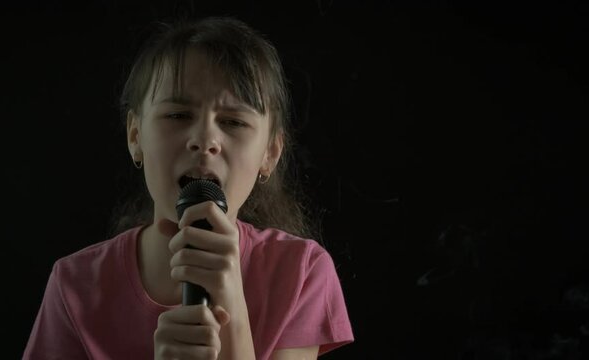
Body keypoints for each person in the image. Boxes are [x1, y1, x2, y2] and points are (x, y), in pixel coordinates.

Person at [24, 15, 354, 359]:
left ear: (270, 153)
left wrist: (234, 318)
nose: (204, 140)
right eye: (178, 115)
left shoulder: (301, 272)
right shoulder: (74, 285)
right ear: (135, 136)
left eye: (233, 122)